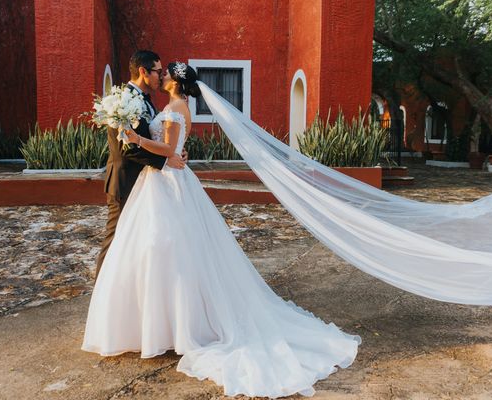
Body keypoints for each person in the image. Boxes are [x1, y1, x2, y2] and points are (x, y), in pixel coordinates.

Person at [82, 62, 360, 398]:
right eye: (162, 71)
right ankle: (159, 324)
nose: (163, 76)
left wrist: (137, 137)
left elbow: (169, 151)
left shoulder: (174, 107)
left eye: (168, 73)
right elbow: (174, 149)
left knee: (167, 248)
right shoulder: (171, 105)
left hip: (168, 184)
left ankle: (177, 327)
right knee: (164, 249)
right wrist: (164, 147)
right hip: (160, 183)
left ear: (176, 83)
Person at [96, 50, 185, 279]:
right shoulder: (121, 101)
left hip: (146, 184)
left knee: (137, 243)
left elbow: (157, 140)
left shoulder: (148, 101)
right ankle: (102, 296)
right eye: (157, 71)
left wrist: (175, 151)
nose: (160, 76)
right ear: (144, 72)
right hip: (125, 181)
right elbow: (128, 148)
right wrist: (166, 159)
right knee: (116, 239)